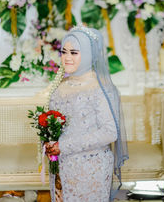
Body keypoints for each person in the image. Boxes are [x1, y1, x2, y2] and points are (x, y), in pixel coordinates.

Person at [45, 24, 129, 202]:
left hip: (91, 167)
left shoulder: (101, 88)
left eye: (74, 53)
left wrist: (64, 146)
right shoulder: (60, 87)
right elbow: (54, 125)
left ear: (89, 55)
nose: (67, 58)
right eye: (64, 51)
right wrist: (49, 143)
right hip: (61, 165)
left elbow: (110, 132)